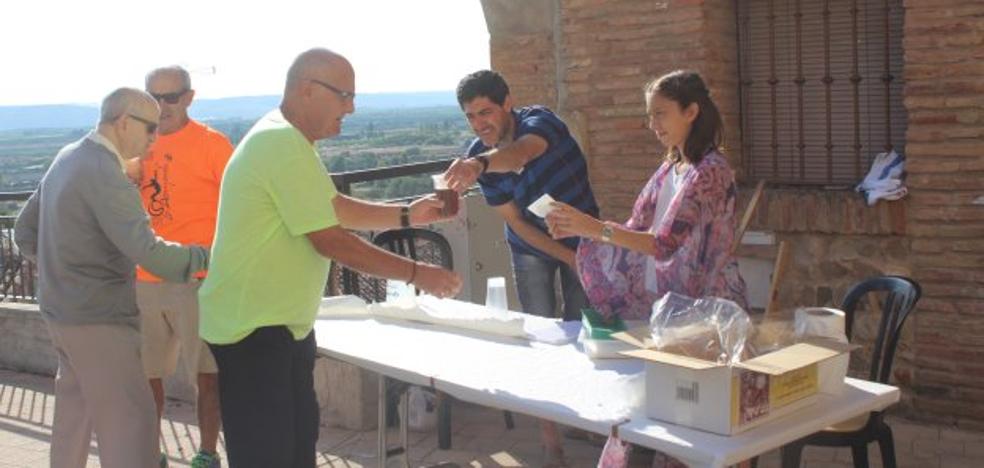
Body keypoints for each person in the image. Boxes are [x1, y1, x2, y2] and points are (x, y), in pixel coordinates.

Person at [197, 48, 462, 468]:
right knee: (270, 457)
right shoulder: (279, 142)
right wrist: (417, 273)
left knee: (295, 450)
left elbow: (331, 206)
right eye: (344, 95)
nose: (352, 107)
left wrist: (408, 212)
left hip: (276, 328)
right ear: (306, 90)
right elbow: (331, 240)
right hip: (255, 331)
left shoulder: (287, 138)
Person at [546, 70, 748, 467]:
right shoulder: (671, 166)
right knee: (660, 418)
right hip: (673, 309)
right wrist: (578, 225)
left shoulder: (710, 170)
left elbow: (663, 243)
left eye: (660, 114)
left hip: (707, 313)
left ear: (691, 111)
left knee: (692, 427)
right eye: (649, 115)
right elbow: (638, 230)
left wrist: (593, 228)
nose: (652, 125)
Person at [14, 88, 209, 468]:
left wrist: (67, 273)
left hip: (61, 314)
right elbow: (150, 253)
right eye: (150, 128)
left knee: (73, 423)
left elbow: (24, 233)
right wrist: (210, 257)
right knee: (131, 428)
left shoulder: (67, 157)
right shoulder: (105, 171)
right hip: (100, 321)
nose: (155, 137)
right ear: (123, 123)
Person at [442, 69, 598, 467]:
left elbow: (522, 153)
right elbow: (515, 223)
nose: (481, 124)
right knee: (541, 336)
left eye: (486, 111)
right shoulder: (480, 154)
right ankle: (551, 443)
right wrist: (567, 258)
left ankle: (582, 417)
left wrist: (478, 164)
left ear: (507, 102)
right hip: (531, 247)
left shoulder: (539, 122)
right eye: (471, 116)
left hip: (584, 236)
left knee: (583, 333)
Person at [133, 65, 232, 468]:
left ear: (189, 98)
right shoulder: (137, 144)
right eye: (153, 97)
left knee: (207, 376)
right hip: (145, 279)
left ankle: (207, 454)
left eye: (170, 97)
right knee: (146, 378)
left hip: (198, 279)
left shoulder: (212, 144)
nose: (161, 106)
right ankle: (150, 453)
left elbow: (239, 206)